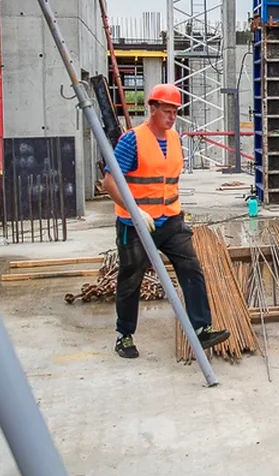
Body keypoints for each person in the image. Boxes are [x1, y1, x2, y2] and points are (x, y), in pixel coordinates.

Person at [101, 83, 231, 359]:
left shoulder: (174, 139)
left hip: (171, 219)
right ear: (153, 108)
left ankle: (201, 328)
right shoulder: (132, 140)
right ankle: (124, 335)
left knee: (191, 268)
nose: (172, 117)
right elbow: (109, 182)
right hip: (134, 224)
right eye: (167, 111)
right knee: (131, 277)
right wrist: (135, 211)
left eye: (175, 112)